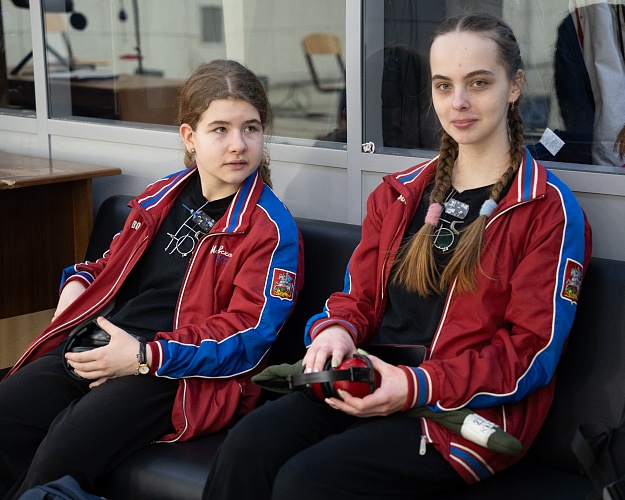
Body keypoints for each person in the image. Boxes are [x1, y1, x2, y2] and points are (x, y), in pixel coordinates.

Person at [204, 13, 592, 499]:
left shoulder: (546, 209)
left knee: (306, 482)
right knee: (248, 445)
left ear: (514, 86)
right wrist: (336, 331)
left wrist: (414, 385)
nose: (459, 102)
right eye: (444, 85)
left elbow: (529, 351)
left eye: (478, 83)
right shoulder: (400, 194)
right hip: (368, 378)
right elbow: (358, 298)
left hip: (455, 416)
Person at [0, 59, 303, 499]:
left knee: (61, 452)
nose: (238, 144)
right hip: (103, 343)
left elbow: (249, 336)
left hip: (174, 374)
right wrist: (76, 286)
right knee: (7, 413)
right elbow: (108, 264)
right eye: (220, 129)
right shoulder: (162, 196)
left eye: (251, 129)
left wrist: (143, 356)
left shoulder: (270, 230)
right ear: (190, 137)